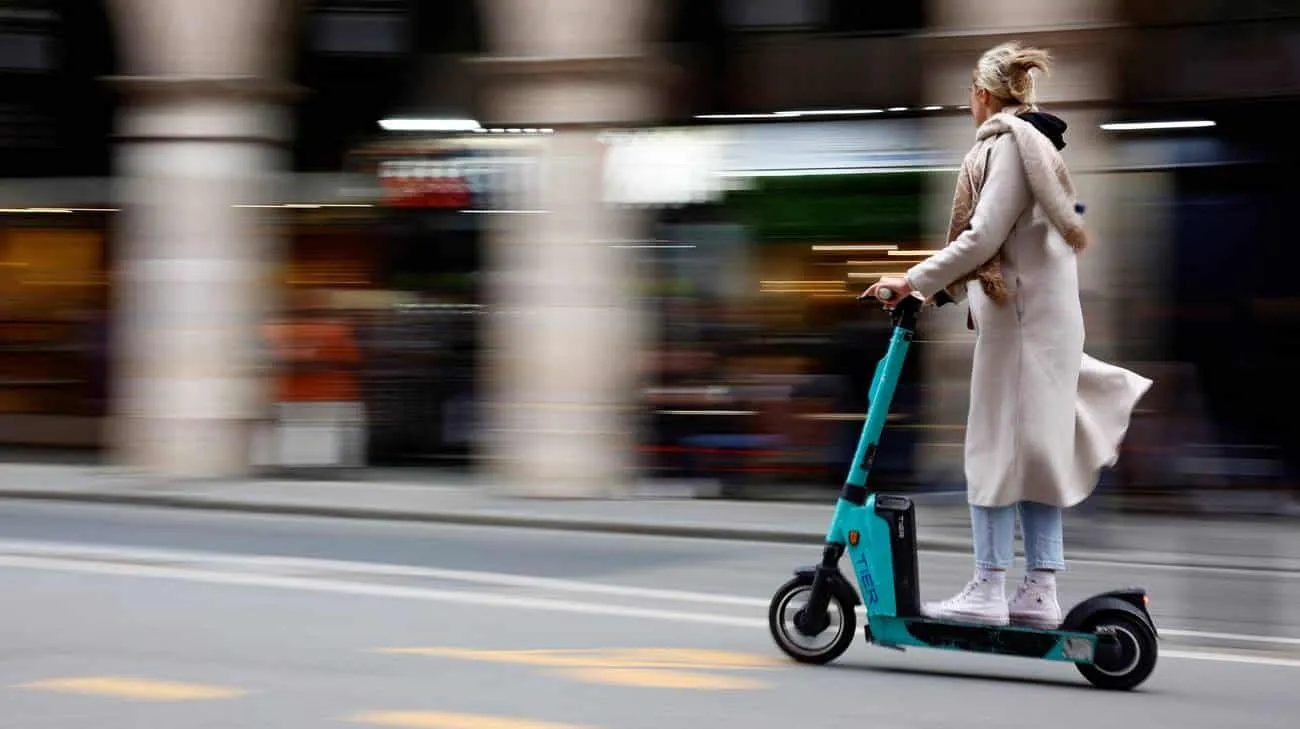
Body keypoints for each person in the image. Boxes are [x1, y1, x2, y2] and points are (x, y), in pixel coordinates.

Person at [865, 42, 1152, 628]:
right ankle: (1039, 590)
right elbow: (1005, 245)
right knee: (1035, 454)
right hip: (1039, 320)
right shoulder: (1038, 145)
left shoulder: (1008, 147)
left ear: (981, 94)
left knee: (992, 450)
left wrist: (912, 278)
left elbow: (982, 238)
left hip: (1021, 326)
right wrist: (935, 291)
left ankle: (990, 585)